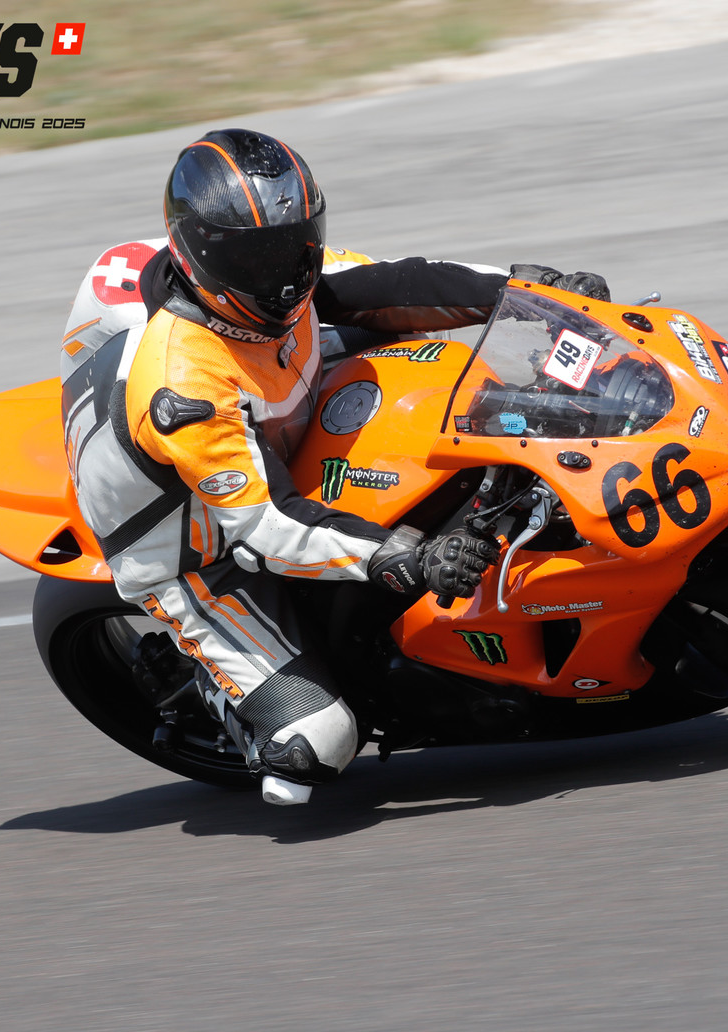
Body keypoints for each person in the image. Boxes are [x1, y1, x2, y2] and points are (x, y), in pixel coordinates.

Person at [59, 128, 607, 805]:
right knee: (316, 746)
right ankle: (210, 686)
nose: (288, 274)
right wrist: (411, 557)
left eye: (297, 244)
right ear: (202, 258)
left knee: (411, 333)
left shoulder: (272, 280)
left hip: (268, 421)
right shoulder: (184, 387)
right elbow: (266, 528)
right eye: (261, 257)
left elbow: (397, 281)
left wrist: (535, 292)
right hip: (198, 545)